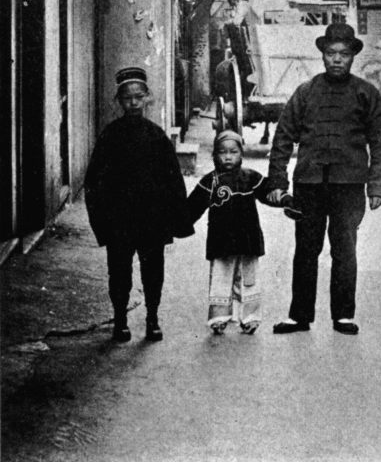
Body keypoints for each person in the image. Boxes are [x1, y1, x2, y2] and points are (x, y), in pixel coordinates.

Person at [267, 22, 381, 336]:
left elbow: (379, 143)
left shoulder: (366, 94)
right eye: (331, 53)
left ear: (352, 57)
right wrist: (278, 182)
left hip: (349, 186)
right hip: (308, 185)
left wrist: (377, 186)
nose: (337, 59)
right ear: (322, 55)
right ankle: (299, 316)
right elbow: (283, 137)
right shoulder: (306, 92)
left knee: (344, 250)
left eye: (343, 54)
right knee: (306, 250)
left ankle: (344, 315)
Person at [85, 67, 192, 343]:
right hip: (119, 220)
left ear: (147, 98)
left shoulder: (157, 136)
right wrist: (102, 224)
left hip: (151, 219)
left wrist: (174, 220)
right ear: (118, 101)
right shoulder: (110, 136)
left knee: (153, 271)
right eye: (127, 98)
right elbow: (94, 182)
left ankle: (152, 318)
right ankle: (120, 320)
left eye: (138, 97)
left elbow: (173, 180)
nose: (133, 103)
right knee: (119, 272)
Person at [186, 129, 300, 335]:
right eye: (222, 152)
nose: (228, 157)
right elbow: (192, 207)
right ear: (214, 155)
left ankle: (250, 319)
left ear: (241, 154)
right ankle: (219, 318)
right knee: (220, 278)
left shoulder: (250, 177)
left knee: (249, 280)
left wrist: (285, 199)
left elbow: (268, 192)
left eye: (233, 152)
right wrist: (176, 223)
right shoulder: (210, 182)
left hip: (248, 239)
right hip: (221, 240)